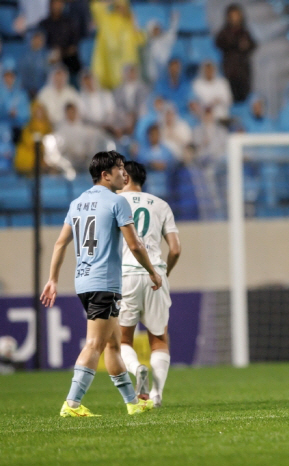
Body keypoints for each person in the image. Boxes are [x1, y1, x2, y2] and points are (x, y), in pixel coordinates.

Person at [40, 151, 161, 417]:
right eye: (119, 169)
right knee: (95, 344)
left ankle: (132, 403)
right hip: (104, 282)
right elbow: (134, 244)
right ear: (105, 175)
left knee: (113, 344)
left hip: (83, 281)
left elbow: (61, 243)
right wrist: (152, 271)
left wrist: (52, 279)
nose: (124, 173)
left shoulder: (77, 203)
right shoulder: (117, 202)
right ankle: (71, 404)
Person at [119, 161, 181, 408]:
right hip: (156, 273)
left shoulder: (116, 203)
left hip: (125, 275)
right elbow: (175, 249)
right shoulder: (161, 204)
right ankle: (156, 395)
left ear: (124, 177)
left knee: (123, 340)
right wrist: (165, 273)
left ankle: (137, 369)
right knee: (159, 340)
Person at [91, 0, 145, 89]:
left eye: (124, 6)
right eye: (119, 6)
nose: (122, 9)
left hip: (129, 65)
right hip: (111, 66)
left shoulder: (129, 23)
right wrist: (112, 1)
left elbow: (141, 40)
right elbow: (96, 6)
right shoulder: (107, 19)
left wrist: (134, 23)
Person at [215, 4, 256, 103]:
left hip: (243, 71)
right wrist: (237, 44)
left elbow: (253, 44)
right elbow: (219, 43)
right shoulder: (224, 32)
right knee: (229, 97)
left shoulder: (244, 32)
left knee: (244, 97)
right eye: (232, 16)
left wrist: (246, 46)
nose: (235, 18)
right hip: (229, 70)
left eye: (237, 15)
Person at [39, 0, 82, 82]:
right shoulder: (43, 24)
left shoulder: (70, 23)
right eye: (54, 3)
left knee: (75, 63)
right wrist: (51, 54)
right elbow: (39, 45)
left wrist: (61, 53)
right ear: (50, 5)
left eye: (59, 3)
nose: (56, 6)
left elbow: (74, 47)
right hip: (48, 58)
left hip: (67, 57)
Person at [14, 102, 52, 176]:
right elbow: (27, 140)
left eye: (41, 111)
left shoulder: (48, 127)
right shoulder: (29, 126)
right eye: (37, 111)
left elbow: (50, 141)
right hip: (30, 151)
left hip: (44, 152)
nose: (39, 114)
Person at [144, 11, 180, 84]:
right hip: (153, 76)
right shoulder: (148, 45)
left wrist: (175, 20)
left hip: (166, 72)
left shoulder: (165, 39)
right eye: (154, 29)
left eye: (158, 28)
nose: (157, 31)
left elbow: (173, 32)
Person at [17, 31, 50, 98]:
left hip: (42, 91)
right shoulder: (24, 56)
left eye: (39, 40)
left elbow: (48, 76)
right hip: (26, 90)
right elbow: (21, 74)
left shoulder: (47, 56)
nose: (37, 42)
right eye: (35, 39)